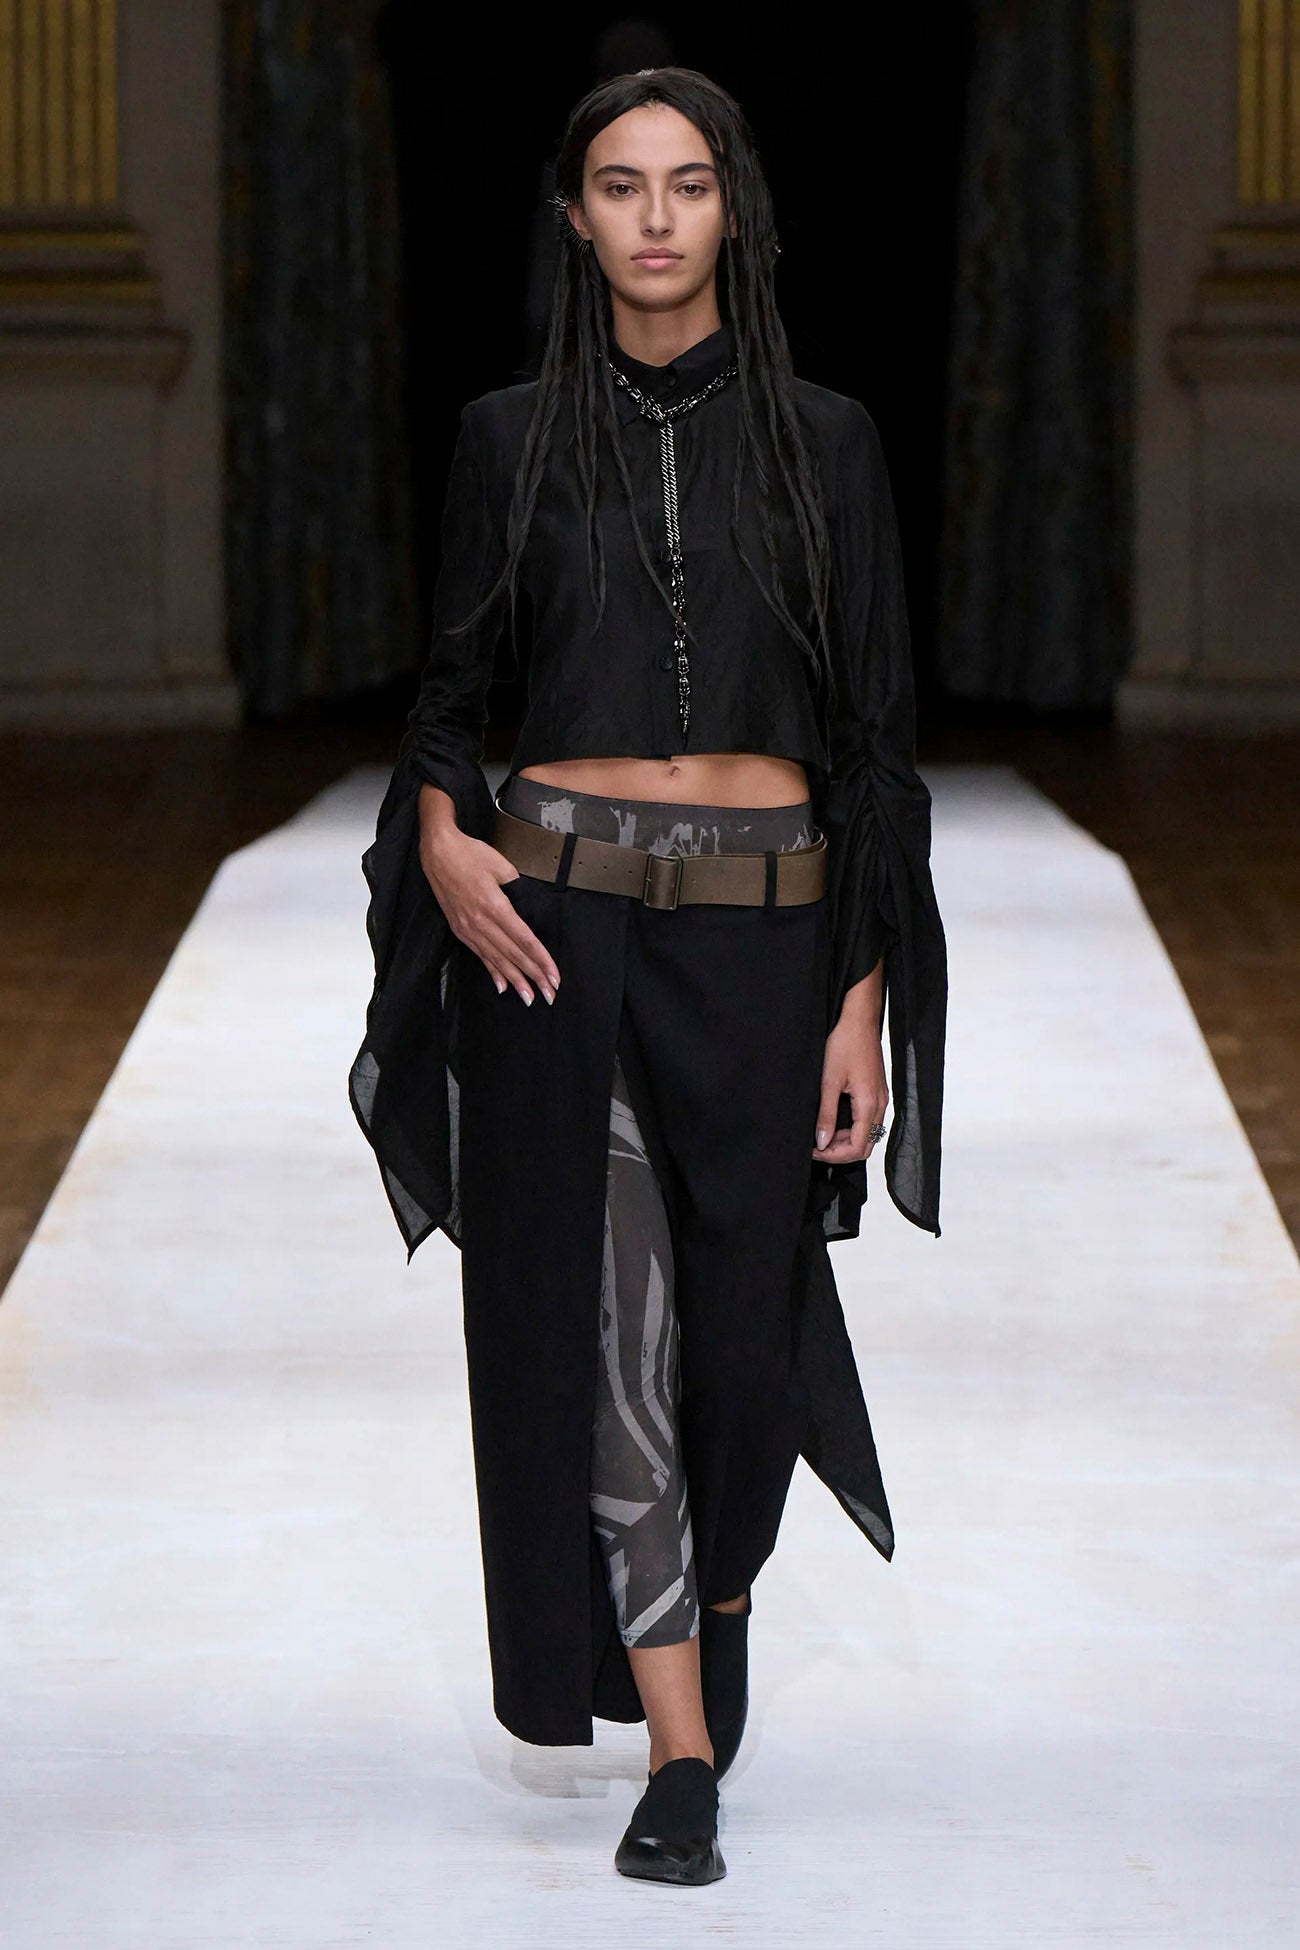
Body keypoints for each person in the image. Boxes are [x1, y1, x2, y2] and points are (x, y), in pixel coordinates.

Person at [349, 66, 947, 1887]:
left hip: (767, 939)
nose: (658, 217)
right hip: (556, 935)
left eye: (689, 184)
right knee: (608, 1333)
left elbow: (874, 742)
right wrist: (445, 837)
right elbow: (452, 698)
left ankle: (721, 1577)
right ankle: (679, 1746)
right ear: (577, 218)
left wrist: (863, 996)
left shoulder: (827, 443)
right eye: (622, 186)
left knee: (744, 1347)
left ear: (733, 209)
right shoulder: (508, 439)